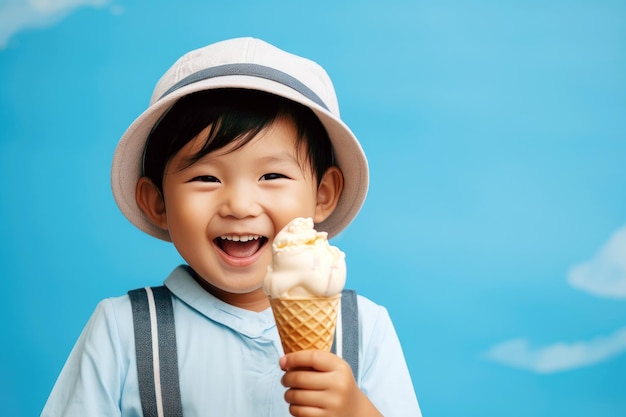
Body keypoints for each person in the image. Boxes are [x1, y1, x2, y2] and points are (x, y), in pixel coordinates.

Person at [41, 37, 422, 417]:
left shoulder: (365, 328)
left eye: (272, 175)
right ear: (158, 203)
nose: (239, 205)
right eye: (206, 178)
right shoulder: (124, 330)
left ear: (323, 194)